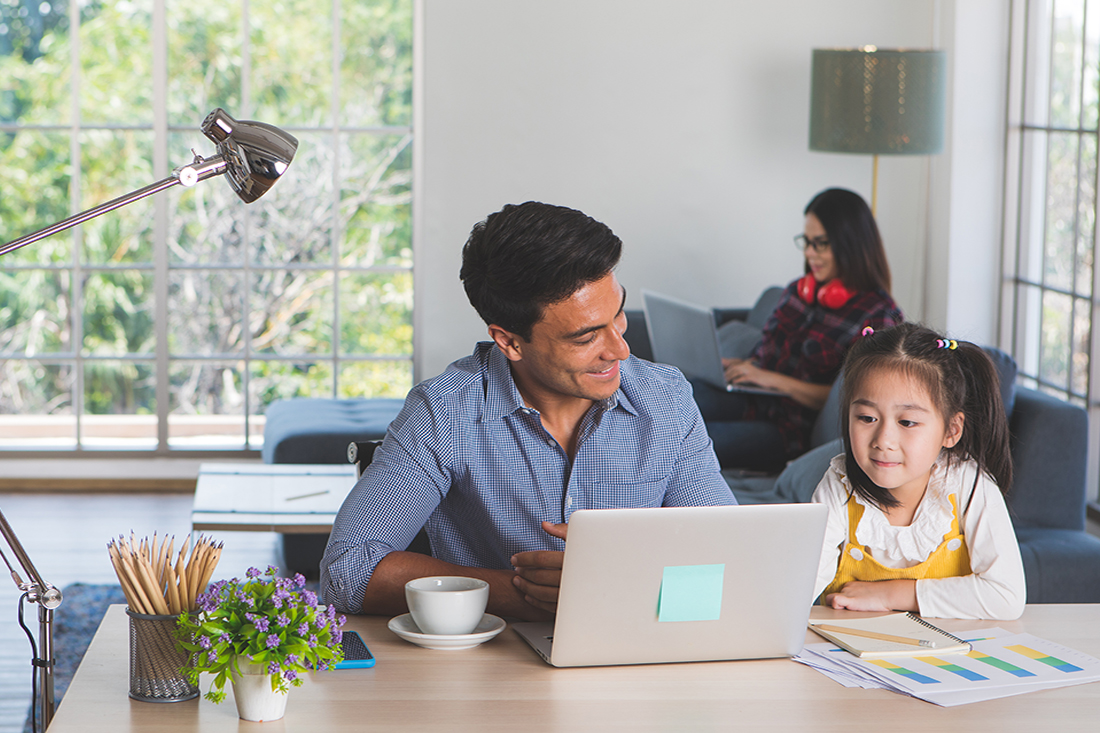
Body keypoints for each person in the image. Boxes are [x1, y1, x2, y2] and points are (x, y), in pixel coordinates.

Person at [320, 201, 737, 620]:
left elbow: (729, 555)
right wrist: (523, 594)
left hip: (640, 657)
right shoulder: (444, 412)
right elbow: (346, 573)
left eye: (618, 315)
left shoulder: (666, 398)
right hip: (493, 665)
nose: (620, 350)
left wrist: (613, 583)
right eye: (585, 337)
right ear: (510, 342)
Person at [811, 322, 1025, 620]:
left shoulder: (968, 484)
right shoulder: (839, 485)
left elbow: (1006, 597)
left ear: (952, 430)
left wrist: (893, 595)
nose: (883, 440)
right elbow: (798, 589)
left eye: (907, 422)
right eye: (867, 417)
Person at [693, 188, 904, 471]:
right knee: (676, 399)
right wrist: (743, 366)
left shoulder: (878, 316)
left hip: (786, 432)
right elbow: (769, 353)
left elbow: (849, 400)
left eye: (820, 244)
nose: (809, 253)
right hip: (751, 399)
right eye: (806, 242)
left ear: (850, 245)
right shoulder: (797, 291)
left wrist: (770, 379)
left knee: (691, 443)